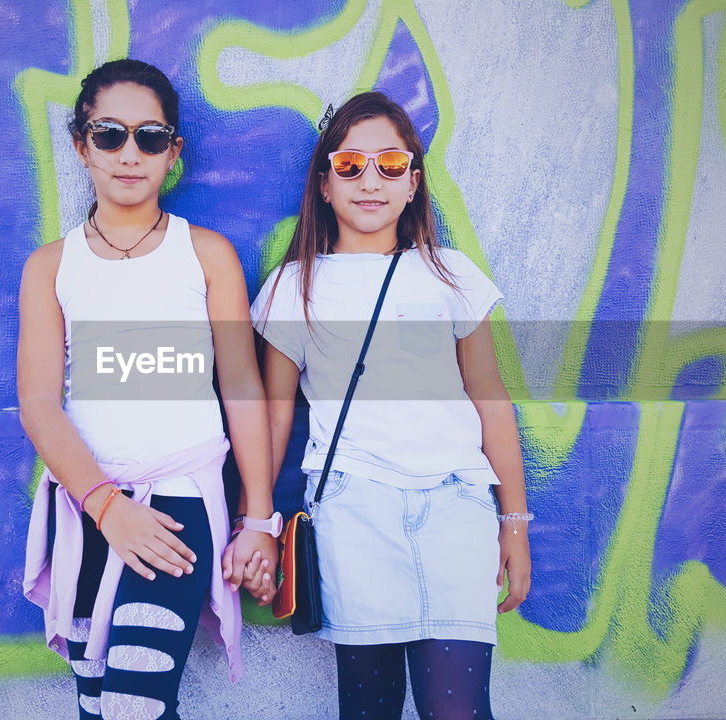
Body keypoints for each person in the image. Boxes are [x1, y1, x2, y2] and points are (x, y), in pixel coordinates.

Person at [251, 91, 532, 720]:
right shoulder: (296, 285)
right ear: (324, 183)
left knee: (458, 708)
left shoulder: (450, 275)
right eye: (349, 166)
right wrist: (260, 523)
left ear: (413, 182)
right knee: (369, 708)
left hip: (458, 505)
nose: (370, 181)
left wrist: (514, 524)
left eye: (390, 165)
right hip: (355, 507)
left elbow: (491, 399)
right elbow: (273, 416)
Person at [19, 59, 279, 720]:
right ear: (82, 146)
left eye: (150, 137)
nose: (129, 153)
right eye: (109, 135)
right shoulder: (51, 266)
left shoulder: (208, 255)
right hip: (85, 507)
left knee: (135, 704)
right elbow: (40, 404)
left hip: (177, 503)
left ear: (173, 152)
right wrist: (107, 507)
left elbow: (243, 390)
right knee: (97, 703)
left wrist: (258, 520)